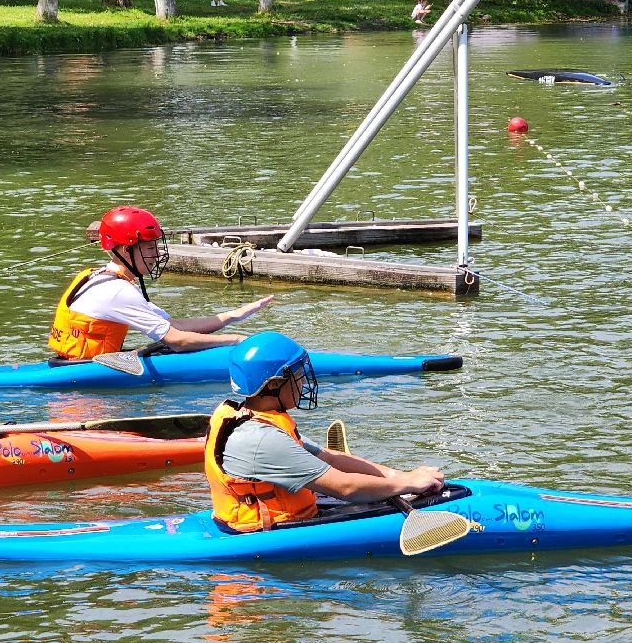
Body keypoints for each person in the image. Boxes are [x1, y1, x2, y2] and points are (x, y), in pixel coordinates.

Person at [205, 332, 445, 531]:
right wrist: (410, 486)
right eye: (297, 375)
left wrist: (399, 476)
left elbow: (328, 457)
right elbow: (345, 488)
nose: (303, 381)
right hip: (263, 535)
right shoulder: (262, 440)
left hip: (269, 517)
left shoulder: (245, 415)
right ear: (273, 384)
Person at [47, 205, 274, 360]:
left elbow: (174, 326)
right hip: (82, 392)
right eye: (149, 247)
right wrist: (239, 340)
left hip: (79, 365)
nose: (156, 254)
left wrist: (233, 316)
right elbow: (177, 340)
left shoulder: (100, 277)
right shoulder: (117, 291)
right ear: (126, 250)